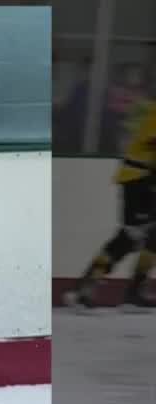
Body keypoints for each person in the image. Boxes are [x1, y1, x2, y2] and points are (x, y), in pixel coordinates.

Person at [66, 101, 156, 308]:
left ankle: (135, 291)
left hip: (146, 178)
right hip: (139, 178)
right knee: (131, 235)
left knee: (152, 235)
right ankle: (83, 288)